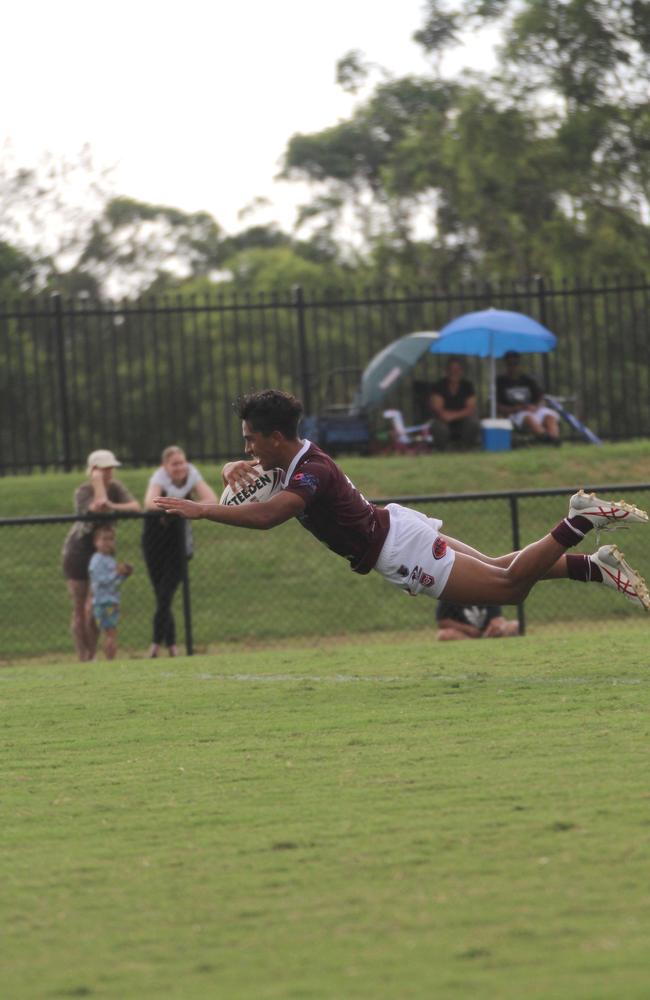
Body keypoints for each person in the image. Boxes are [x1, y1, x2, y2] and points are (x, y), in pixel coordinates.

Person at [153, 389, 650, 615]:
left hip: (398, 549)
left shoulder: (311, 472)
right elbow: (248, 479)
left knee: (508, 588)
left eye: (250, 440)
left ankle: (579, 520)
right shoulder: (293, 458)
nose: (247, 449)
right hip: (395, 527)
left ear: (276, 436)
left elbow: (267, 516)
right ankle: (596, 567)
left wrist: (201, 509)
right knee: (504, 565)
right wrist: (227, 471)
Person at [61, 449, 140, 662]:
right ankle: (83, 657)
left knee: (92, 610)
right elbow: (99, 507)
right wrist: (97, 485)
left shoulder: (116, 488)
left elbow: (134, 507)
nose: (109, 473)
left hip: (102, 553)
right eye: (104, 469)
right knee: (80, 610)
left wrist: (112, 504)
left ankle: (92, 655)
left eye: (110, 468)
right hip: (78, 553)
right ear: (94, 470)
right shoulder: (83, 491)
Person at [142, 445, 218, 658]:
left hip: (178, 542)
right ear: (165, 466)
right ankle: (172, 646)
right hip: (154, 540)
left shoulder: (192, 474)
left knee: (166, 594)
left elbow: (212, 499)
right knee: (161, 596)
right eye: (174, 464)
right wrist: (175, 508)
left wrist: (188, 505)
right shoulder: (159, 478)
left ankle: (156, 646)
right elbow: (149, 503)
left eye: (182, 462)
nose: (179, 467)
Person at [88, 524, 134, 660]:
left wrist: (124, 574)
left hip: (111, 601)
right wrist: (116, 573)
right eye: (104, 539)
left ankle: (109, 658)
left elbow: (113, 582)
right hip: (104, 602)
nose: (108, 543)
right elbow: (101, 581)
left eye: (111, 539)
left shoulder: (109, 559)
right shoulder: (96, 561)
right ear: (96, 542)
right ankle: (110, 660)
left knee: (110, 632)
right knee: (110, 633)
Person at [496, 351, 561, 445]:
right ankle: (546, 438)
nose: (513, 367)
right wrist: (515, 409)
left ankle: (554, 438)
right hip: (515, 414)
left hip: (534, 409)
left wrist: (535, 407)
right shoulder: (500, 382)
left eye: (515, 364)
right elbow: (497, 405)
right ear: (506, 365)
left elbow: (541, 399)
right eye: (510, 364)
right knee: (528, 418)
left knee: (550, 416)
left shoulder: (528, 380)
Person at [427, 357, 480, 450]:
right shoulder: (438, 386)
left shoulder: (467, 386)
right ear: (447, 371)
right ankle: (444, 450)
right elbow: (439, 410)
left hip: (462, 422)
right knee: (438, 426)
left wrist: (452, 416)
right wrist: (450, 415)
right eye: (451, 369)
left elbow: (471, 408)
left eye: (457, 369)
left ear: (461, 371)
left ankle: (466, 448)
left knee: (473, 422)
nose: (454, 372)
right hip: (443, 422)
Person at [436, 601, 519, 641]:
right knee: (444, 635)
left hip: (490, 636)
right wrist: (468, 629)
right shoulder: (450, 592)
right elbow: (442, 621)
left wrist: (496, 626)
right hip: (464, 636)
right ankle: (474, 646)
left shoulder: (488, 590)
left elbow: (496, 618)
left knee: (515, 625)